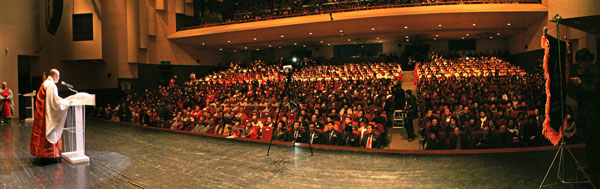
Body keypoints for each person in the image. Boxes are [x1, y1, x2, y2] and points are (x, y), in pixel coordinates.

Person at [30, 69, 71, 160]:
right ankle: (49, 155)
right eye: (58, 76)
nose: (59, 78)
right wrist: (65, 103)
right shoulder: (51, 85)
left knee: (41, 134)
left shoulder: (46, 83)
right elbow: (54, 103)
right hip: (46, 115)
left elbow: (53, 98)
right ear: (55, 76)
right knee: (48, 133)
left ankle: (41, 153)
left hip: (41, 113)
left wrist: (61, 100)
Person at [571, 48, 600, 177]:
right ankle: (592, 166)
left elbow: (595, 91)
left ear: (588, 59)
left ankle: (595, 170)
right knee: (590, 143)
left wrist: (580, 84)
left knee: (594, 143)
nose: (580, 65)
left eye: (582, 62)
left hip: (594, 114)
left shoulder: (595, 71)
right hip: (589, 114)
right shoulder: (590, 70)